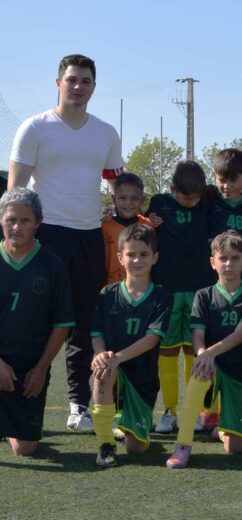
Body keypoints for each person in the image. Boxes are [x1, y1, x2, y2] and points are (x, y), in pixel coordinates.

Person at [8, 54, 123, 432]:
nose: (78, 86)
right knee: (33, 322)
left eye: (85, 81)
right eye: (72, 79)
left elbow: (118, 186)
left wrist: (137, 218)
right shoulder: (35, 127)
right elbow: (15, 191)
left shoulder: (106, 133)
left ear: (94, 87)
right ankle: (12, 401)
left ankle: (79, 405)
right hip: (46, 236)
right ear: (58, 83)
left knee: (83, 323)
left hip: (89, 236)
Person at [166, 231, 242, 468]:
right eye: (223, 258)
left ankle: (224, 428)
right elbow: (197, 335)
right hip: (210, 365)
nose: (229, 264)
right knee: (199, 374)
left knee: (235, 448)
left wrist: (209, 353)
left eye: (235, 258)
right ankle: (182, 445)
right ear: (212, 262)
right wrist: (202, 355)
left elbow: (239, 335)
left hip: (237, 370)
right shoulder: (203, 295)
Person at [90, 224, 172, 467]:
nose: (137, 260)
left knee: (136, 448)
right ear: (120, 258)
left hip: (143, 380)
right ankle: (105, 444)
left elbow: (152, 339)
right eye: (131, 254)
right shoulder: (107, 294)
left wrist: (117, 358)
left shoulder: (162, 296)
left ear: (155, 257)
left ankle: (128, 424)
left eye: (144, 254)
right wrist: (100, 354)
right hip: (114, 370)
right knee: (103, 371)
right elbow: (97, 334)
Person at [0, 188, 74, 456]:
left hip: (28, 369)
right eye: (11, 220)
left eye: (25, 221)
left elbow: (62, 324)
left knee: (25, 448)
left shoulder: (52, 265)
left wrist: (41, 368)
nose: (16, 227)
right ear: (1, 219)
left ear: (38, 223)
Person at [147, 160, 213, 433]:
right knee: (167, 350)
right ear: (173, 189)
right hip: (167, 291)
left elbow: (238, 183)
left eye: (196, 197)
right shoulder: (158, 203)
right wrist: (147, 222)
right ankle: (170, 411)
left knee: (194, 351)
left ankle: (193, 410)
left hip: (199, 291)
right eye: (187, 197)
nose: (192, 202)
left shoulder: (207, 200)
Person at [208, 148, 242, 291]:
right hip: (216, 275)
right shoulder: (209, 202)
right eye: (222, 180)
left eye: (233, 180)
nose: (227, 186)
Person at [101, 173, 151, 285]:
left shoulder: (148, 225)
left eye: (134, 198)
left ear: (142, 200)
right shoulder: (104, 226)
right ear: (114, 199)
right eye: (122, 198)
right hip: (111, 287)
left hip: (141, 288)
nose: (128, 202)